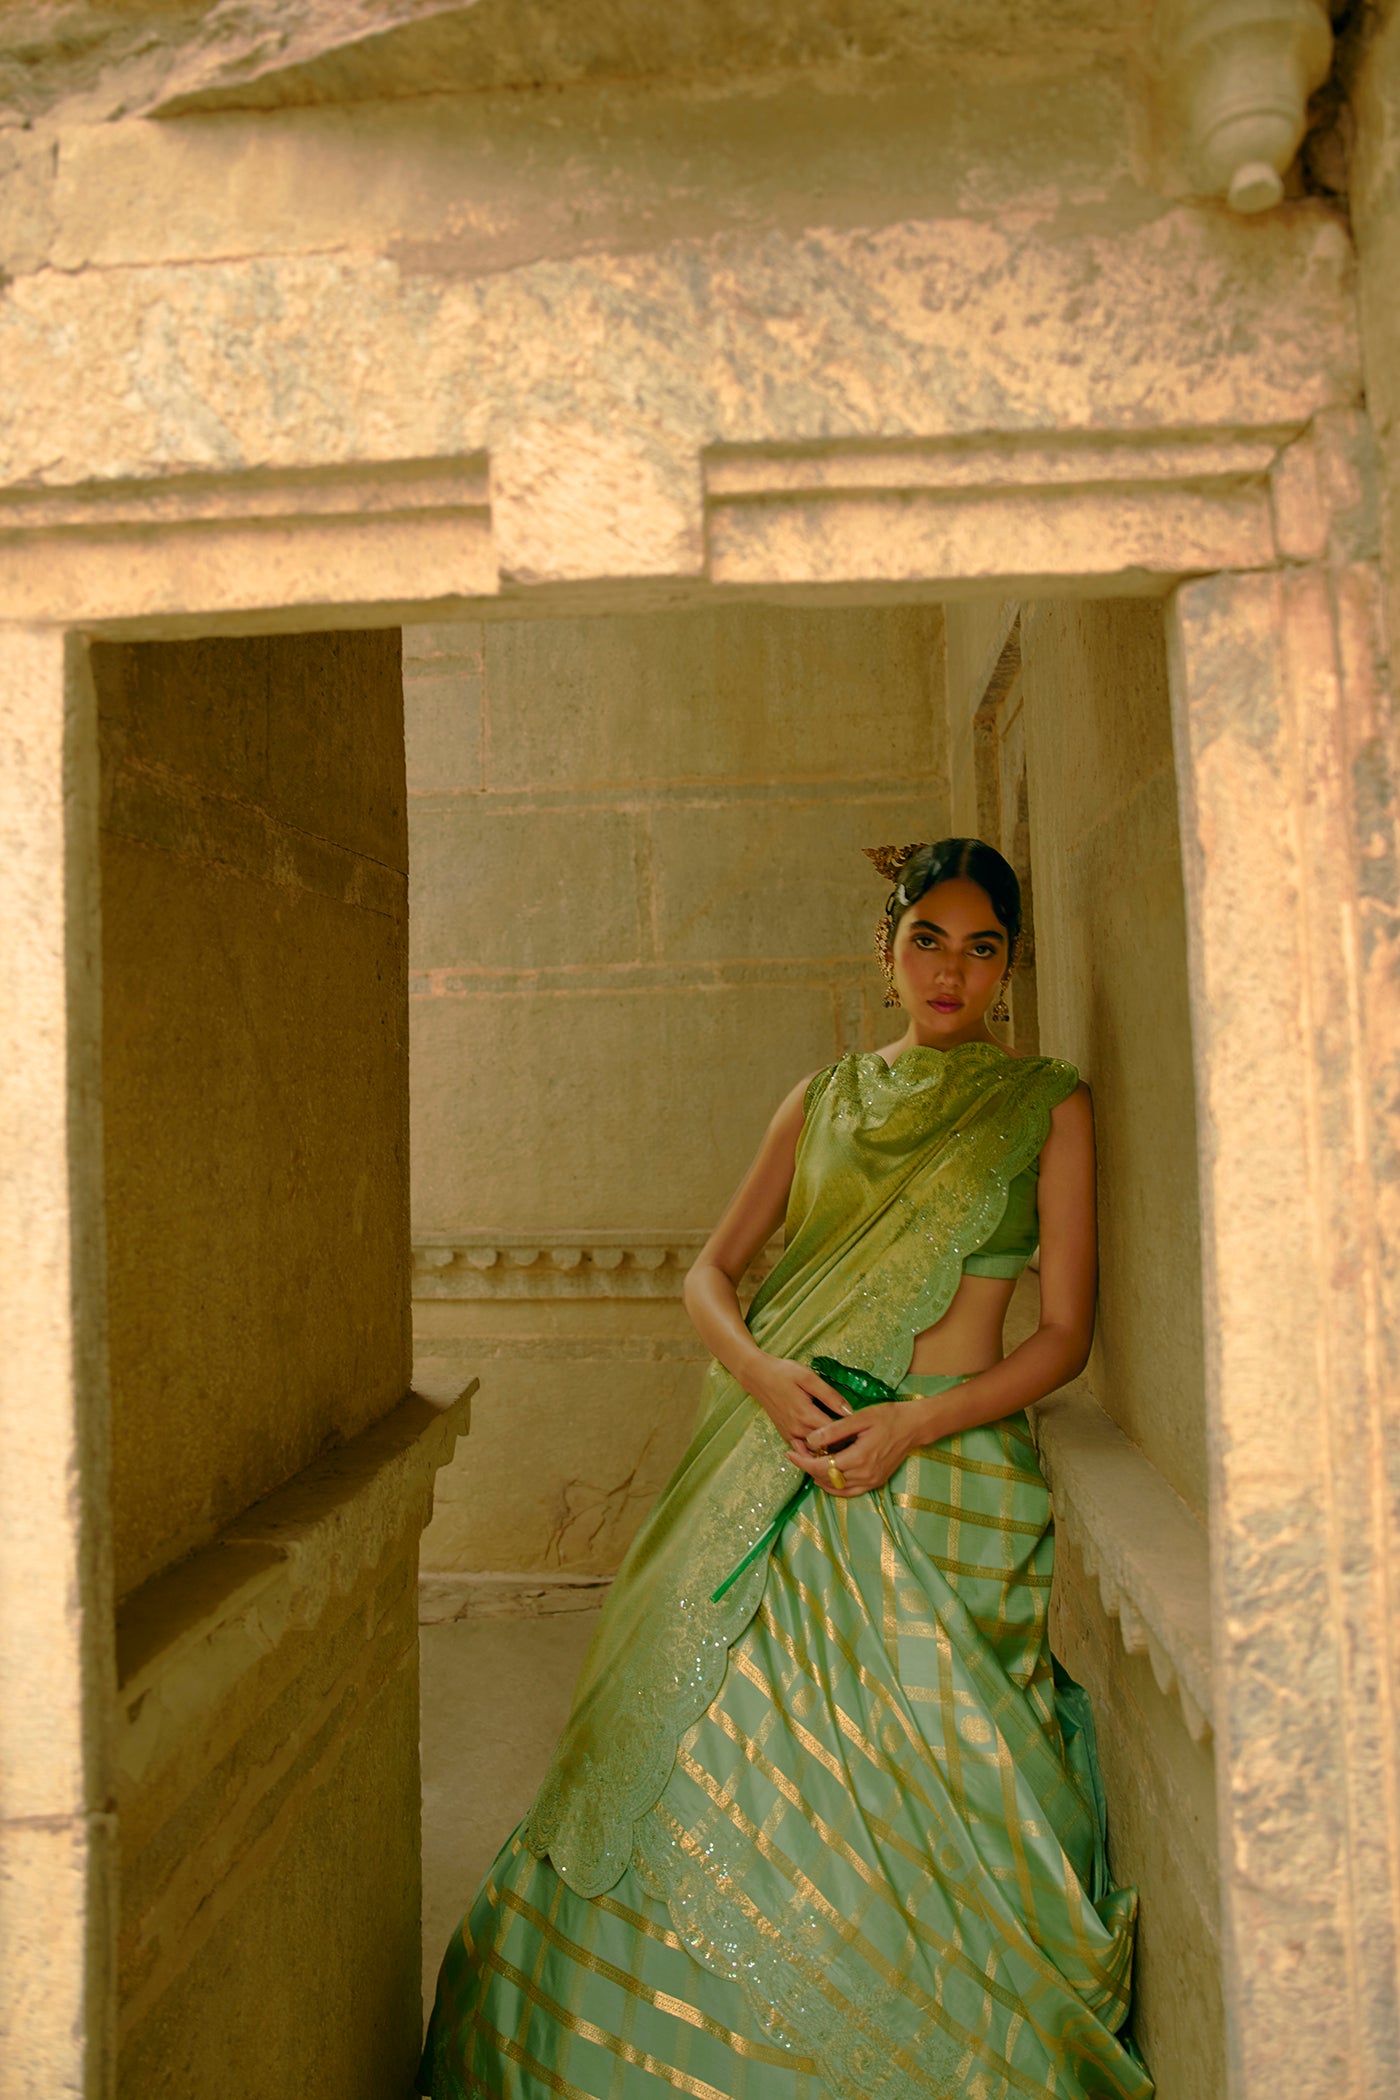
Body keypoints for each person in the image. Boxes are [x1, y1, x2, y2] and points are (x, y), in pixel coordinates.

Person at [419, 836, 1151, 2100]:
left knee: (911, 1785)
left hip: (944, 1479)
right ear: (884, 952)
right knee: (698, 1745)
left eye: (983, 949)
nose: (951, 971)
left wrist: (912, 1425)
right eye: (927, 938)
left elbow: (1063, 1336)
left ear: (1007, 971)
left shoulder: (1044, 1102)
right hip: (780, 1461)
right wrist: (764, 1382)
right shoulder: (817, 1103)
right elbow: (707, 1275)